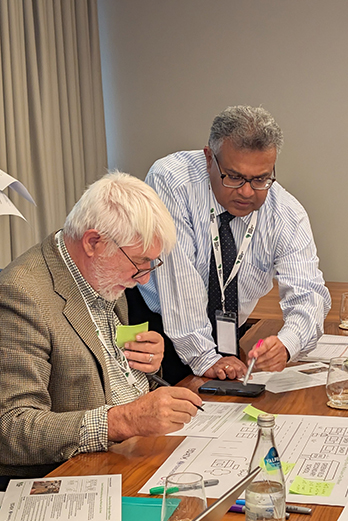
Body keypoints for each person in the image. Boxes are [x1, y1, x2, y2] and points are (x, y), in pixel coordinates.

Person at [0, 172, 203, 488]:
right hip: (70, 476)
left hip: (137, 452)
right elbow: (12, 428)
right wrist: (123, 420)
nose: (145, 279)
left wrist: (148, 363)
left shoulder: (101, 270)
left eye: (152, 263)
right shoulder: (22, 295)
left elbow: (103, 366)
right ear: (93, 242)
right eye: (139, 263)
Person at [136, 105, 331, 383]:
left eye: (261, 178)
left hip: (227, 337)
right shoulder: (173, 181)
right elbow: (180, 280)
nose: (247, 191)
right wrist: (205, 358)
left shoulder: (285, 212)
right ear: (208, 158)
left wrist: (288, 343)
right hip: (159, 329)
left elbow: (308, 292)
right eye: (235, 176)